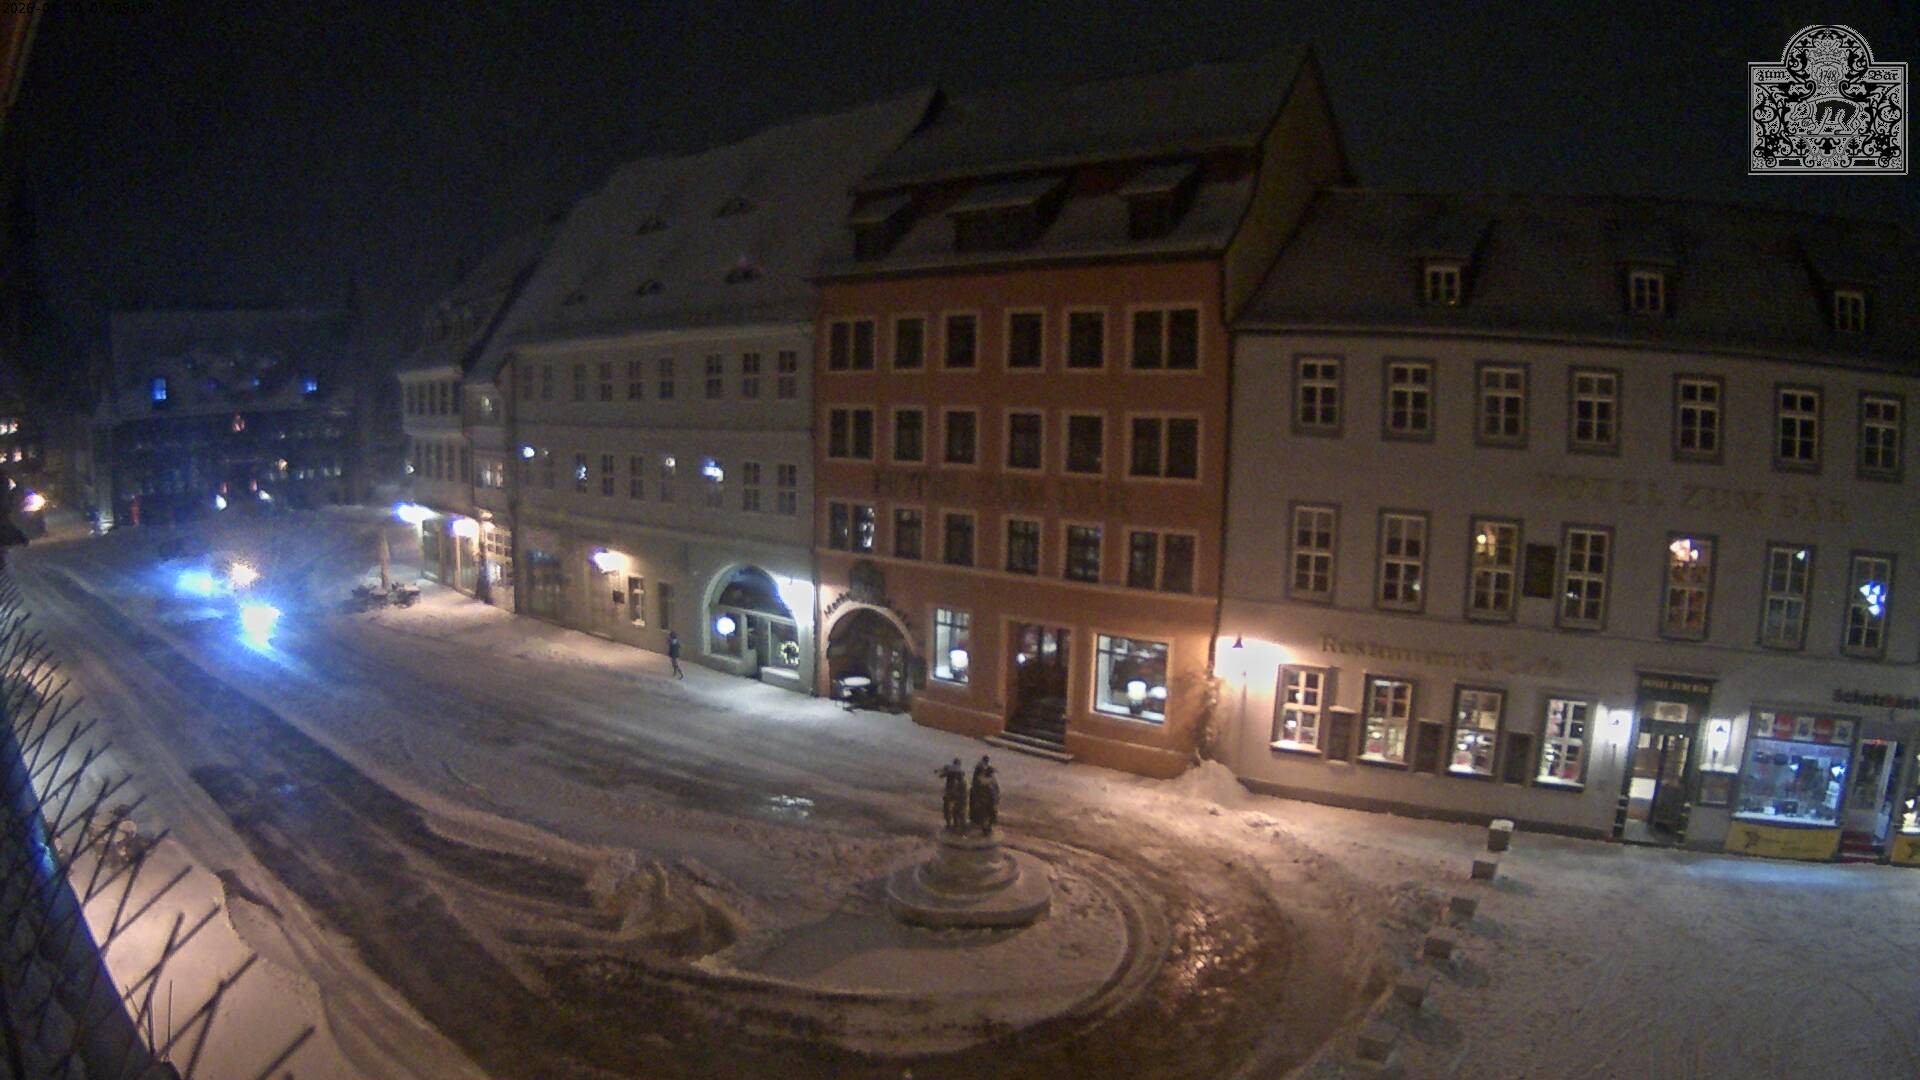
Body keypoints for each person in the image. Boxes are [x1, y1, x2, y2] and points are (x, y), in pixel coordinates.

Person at [968, 755, 999, 834]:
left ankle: (984, 826)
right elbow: (993, 792)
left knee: (986, 815)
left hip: (984, 800)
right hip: (985, 801)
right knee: (986, 815)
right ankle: (985, 827)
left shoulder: (986, 779)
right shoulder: (985, 781)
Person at [936, 758, 968, 830]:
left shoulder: (949, 768)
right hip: (957, 792)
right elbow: (962, 782)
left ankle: (948, 824)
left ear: (953, 763)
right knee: (957, 808)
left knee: (947, 808)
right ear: (959, 764)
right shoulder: (960, 771)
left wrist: (938, 772)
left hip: (949, 791)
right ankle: (956, 823)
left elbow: (941, 774)